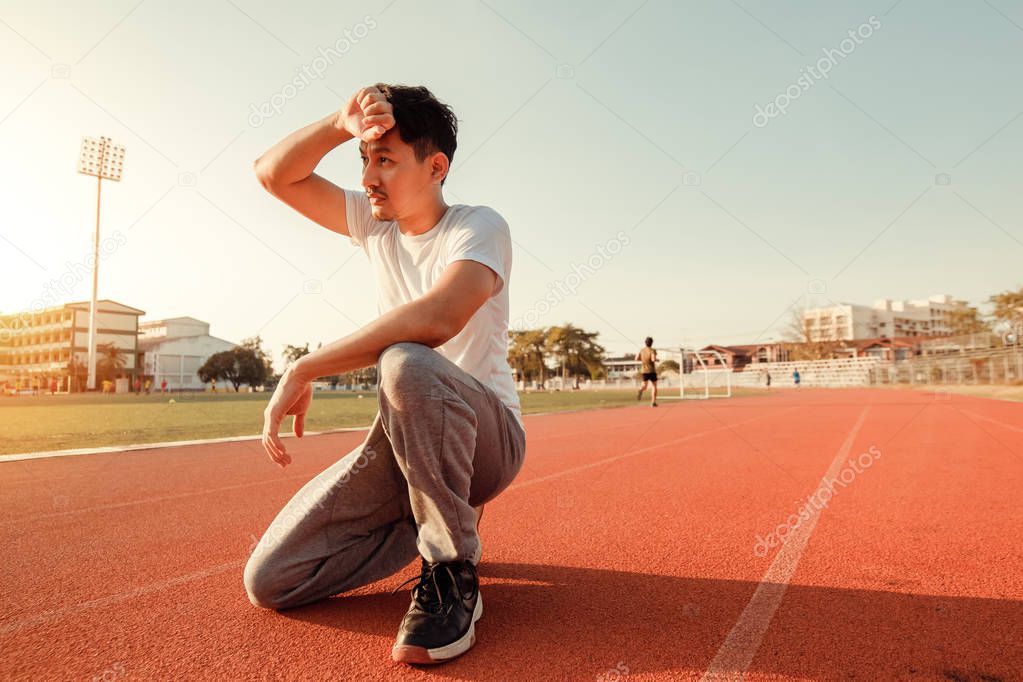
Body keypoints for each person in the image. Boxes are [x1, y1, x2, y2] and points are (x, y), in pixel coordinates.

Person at [245, 83, 525, 666]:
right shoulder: (375, 227)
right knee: (271, 580)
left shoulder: (478, 226)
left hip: (488, 439)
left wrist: (304, 364)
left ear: (436, 166)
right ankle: (432, 521)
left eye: (387, 160)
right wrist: (337, 123)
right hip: (405, 441)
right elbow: (273, 176)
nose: (369, 176)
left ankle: (452, 571)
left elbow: (438, 317)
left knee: (404, 359)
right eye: (365, 160)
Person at [635, 337, 659, 407]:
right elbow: (653, 359)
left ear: (645, 342)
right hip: (651, 370)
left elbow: (636, 358)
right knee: (654, 386)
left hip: (644, 370)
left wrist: (643, 360)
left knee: (644, 386)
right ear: (652, 343)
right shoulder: (652, 350)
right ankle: (653, 402)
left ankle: (640, 390)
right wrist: (656, 360)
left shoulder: (642, 350)